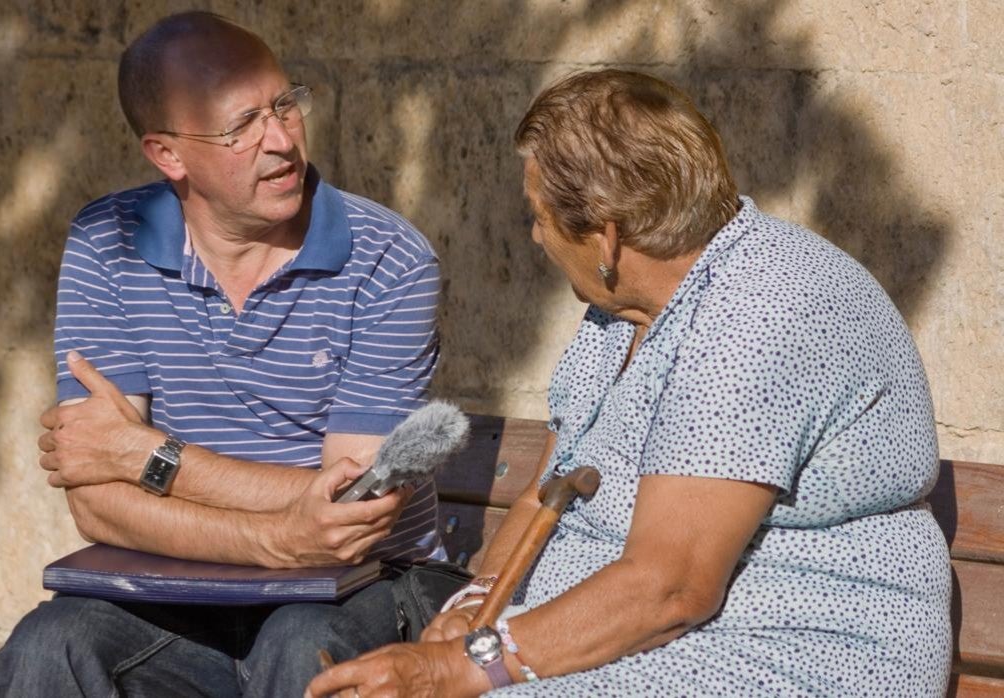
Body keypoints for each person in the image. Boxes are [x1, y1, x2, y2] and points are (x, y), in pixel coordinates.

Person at [309, 69, 951, 697]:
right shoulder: (624, 310)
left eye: (538, 215)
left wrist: (464, 666)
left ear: (607, 237)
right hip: (635, 642)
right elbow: (547, 490)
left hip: (789, 648)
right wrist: (477, 606)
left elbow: (671, 588)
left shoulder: (762, 311)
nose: (534, 235)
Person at [0, 12, 446, 697]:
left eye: (286, 104)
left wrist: (147, 456)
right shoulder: (107, 243)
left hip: (364, 587)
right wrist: (277, 538)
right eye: (241, 128)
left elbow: (355, 505)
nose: (283, 141)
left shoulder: (388, 260)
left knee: (303, 646)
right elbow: (99, 505)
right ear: (168, 154)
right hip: (174, 599)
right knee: (48, 650)